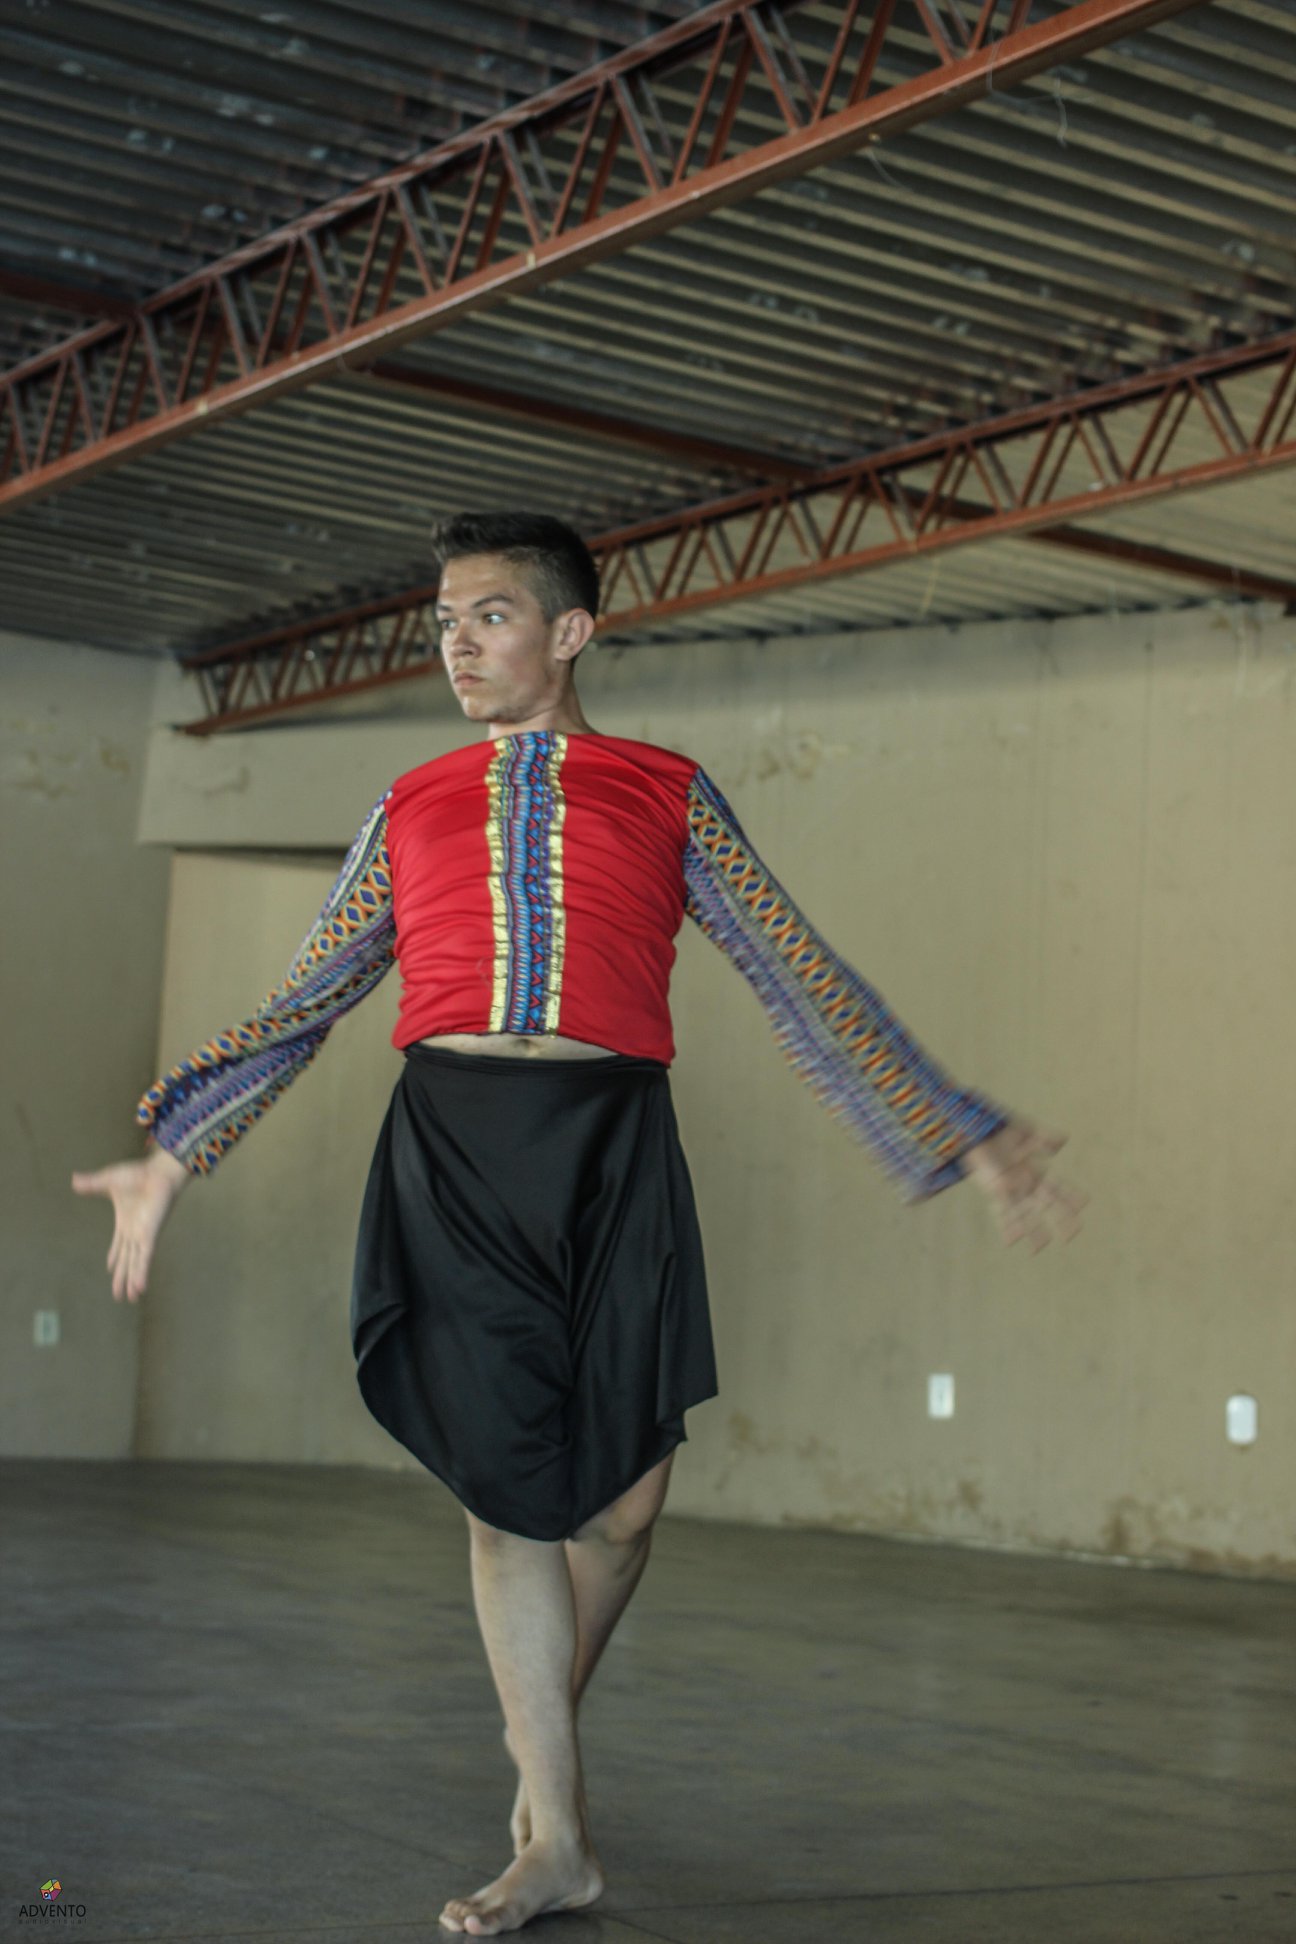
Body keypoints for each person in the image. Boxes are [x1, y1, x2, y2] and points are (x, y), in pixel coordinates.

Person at [73, 511, 1085, 1936]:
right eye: (443, 623)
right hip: (456, 1148)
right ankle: (557, 1835)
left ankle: (532, 1733)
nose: (457, 645)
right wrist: (176, 1153)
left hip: (615, 1145)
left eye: (487, 616)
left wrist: (954, 1126)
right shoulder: (410, 803)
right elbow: (309, 994)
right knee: (508, 1497)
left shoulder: (668, 791)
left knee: (622, 1508)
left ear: (570, 632)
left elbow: (797, 970)